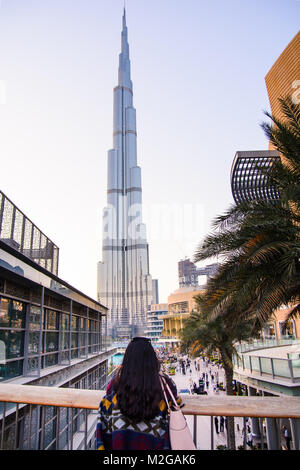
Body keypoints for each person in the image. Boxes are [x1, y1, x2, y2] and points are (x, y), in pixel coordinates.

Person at [96, 337, 183, 450]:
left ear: (127, 360)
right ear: (152, 360)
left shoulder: (115, 384)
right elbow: (175, 401)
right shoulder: (165, 385)